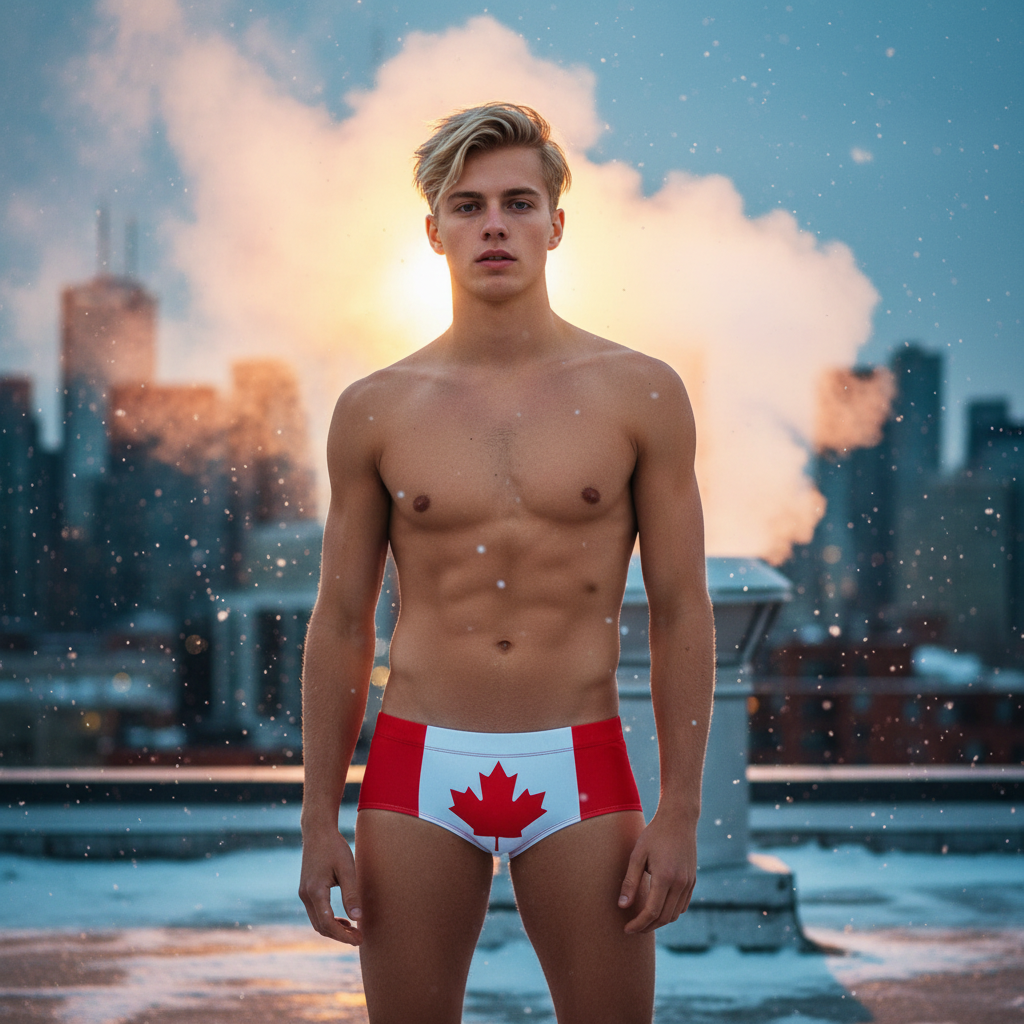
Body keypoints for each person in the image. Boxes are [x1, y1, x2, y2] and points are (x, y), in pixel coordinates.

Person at [298, 102, 715, 1024]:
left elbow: (684, 606)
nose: (494, 224)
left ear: (556, 225)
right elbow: (339, 619)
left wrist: (681, 810)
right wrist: (316, 818)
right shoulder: (377, 408)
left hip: (581, 762)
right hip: (416, 766)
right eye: (468, 204)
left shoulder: (640, 392)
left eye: (519, 202)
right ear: (435, 231)